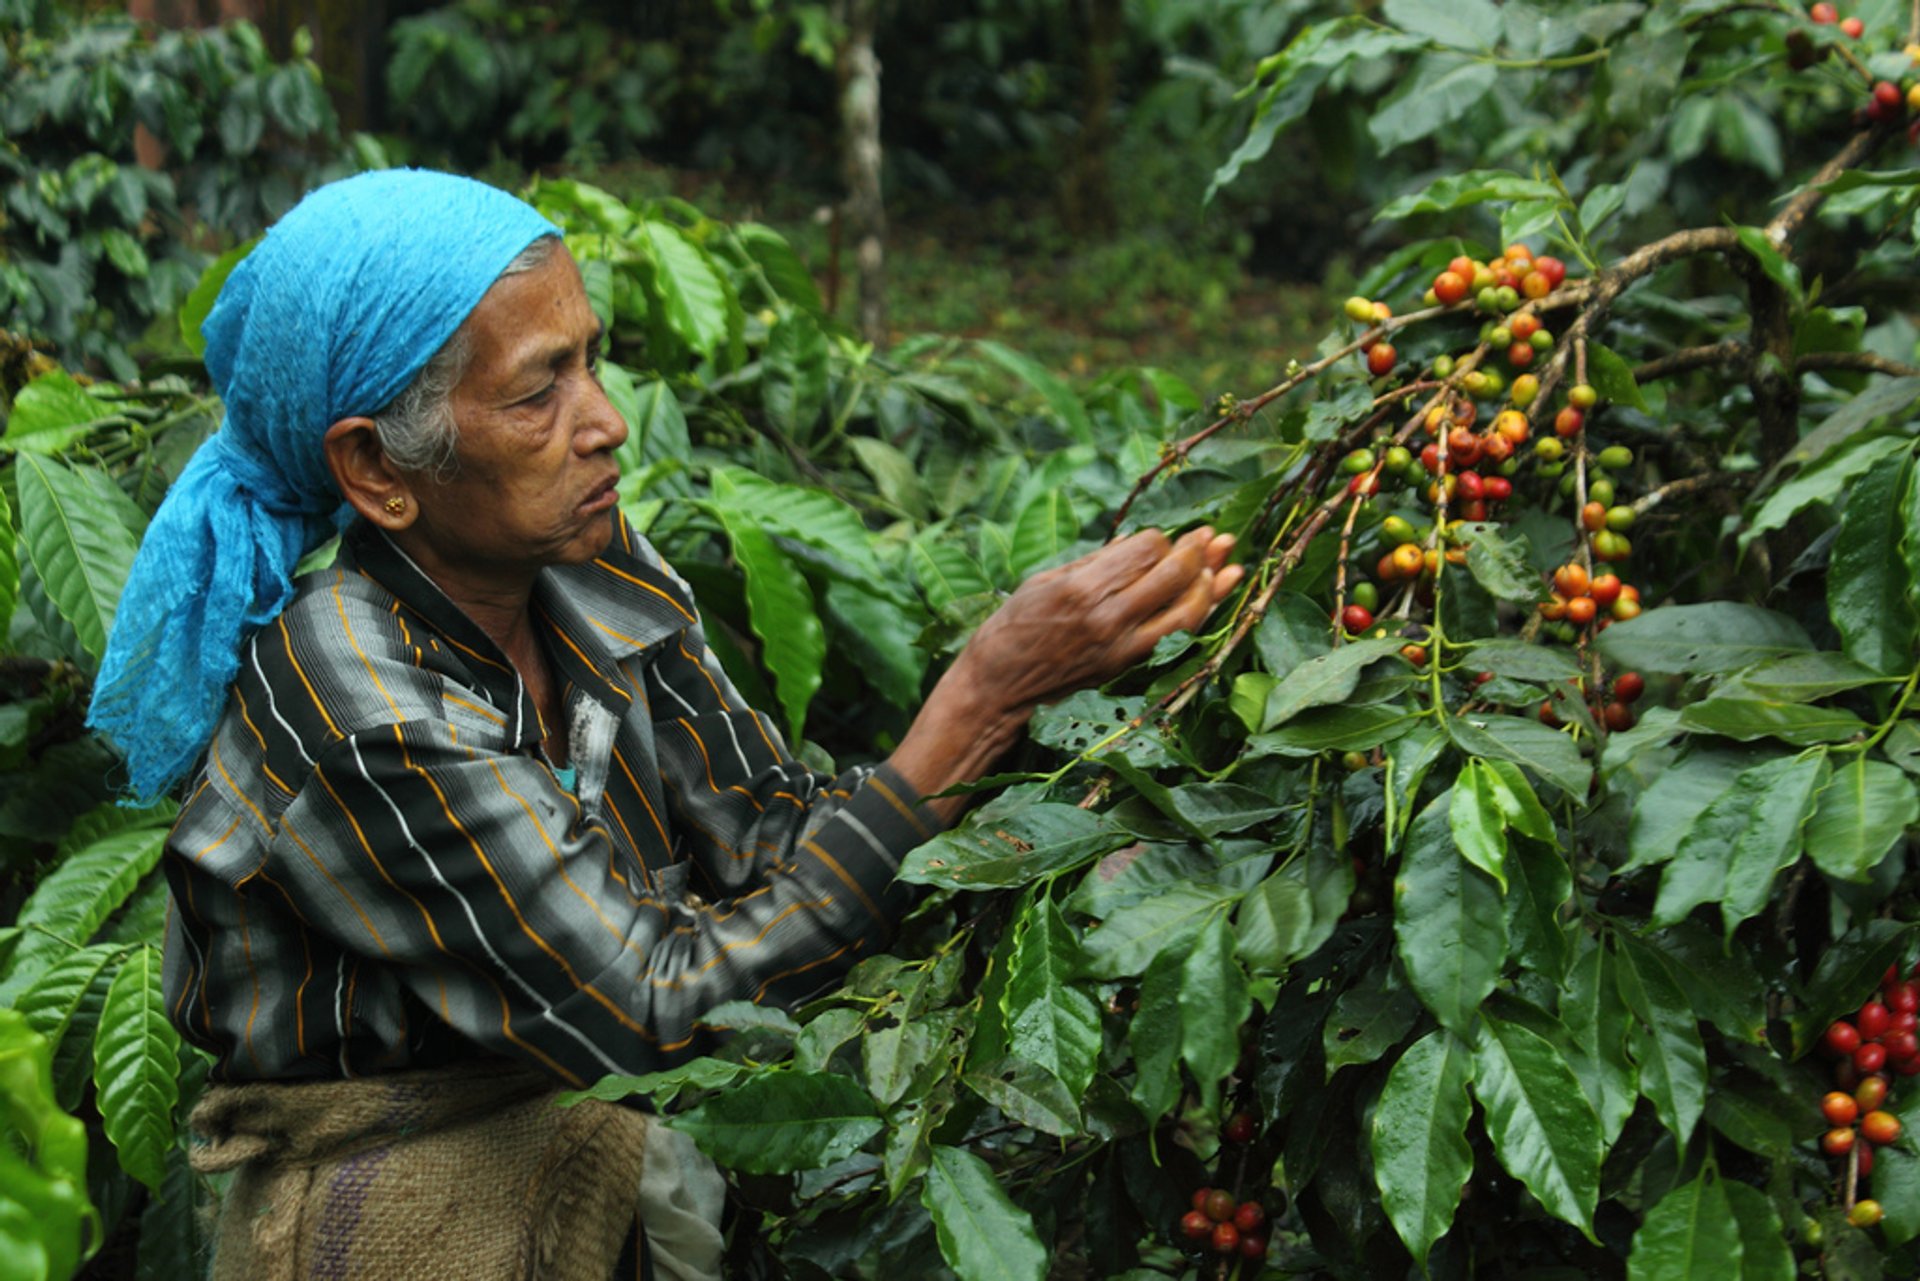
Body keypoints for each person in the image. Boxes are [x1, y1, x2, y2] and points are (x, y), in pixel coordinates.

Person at [88, 169, 1240, 1281]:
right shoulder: (354, 698)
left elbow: (771, 832)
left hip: (608, 1168)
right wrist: (980, 695)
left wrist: (1049, 780)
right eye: (540, 392)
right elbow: (652, 1007)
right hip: (406, 1210)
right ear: (378, 470)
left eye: (592, 361)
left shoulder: (583, 568)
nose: (608, 425)